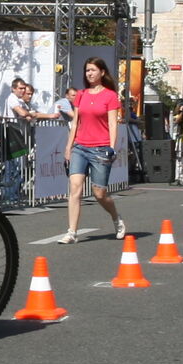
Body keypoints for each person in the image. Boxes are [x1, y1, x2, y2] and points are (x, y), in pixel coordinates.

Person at [57, 58, 125, 244]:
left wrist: (111, 147)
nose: (90, 73)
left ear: (102, 72)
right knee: (75, 188)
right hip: (80, 146)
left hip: (101, 148)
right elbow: (75, 122)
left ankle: (116, 218)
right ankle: (72, 232)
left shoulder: (110, 96)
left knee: (99, 193)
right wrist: (68, 147)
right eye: (87, 70)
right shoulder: (81, 94)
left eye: (93, 70)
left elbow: (112, 123)